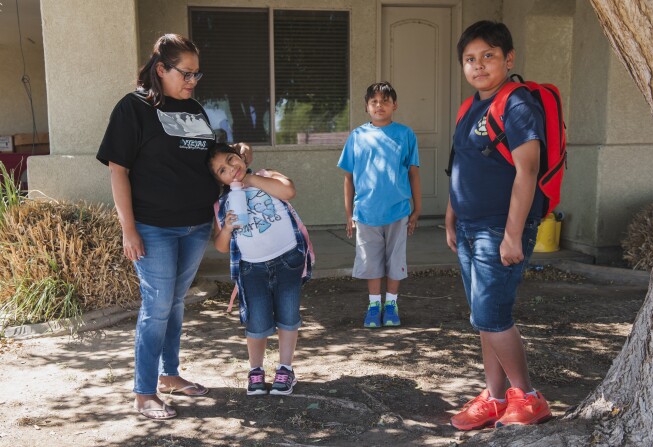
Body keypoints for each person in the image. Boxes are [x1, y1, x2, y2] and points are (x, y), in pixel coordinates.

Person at [97, 34, 251, 420]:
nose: (193, 81)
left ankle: (169, 374)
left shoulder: (196, 109)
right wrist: (128, 228)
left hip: (196, 224)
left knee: (175, 303)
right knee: (157, 305)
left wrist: (236, 155)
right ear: (161, 69)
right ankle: (144, 392)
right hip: (154, 227)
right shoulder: (133, 108)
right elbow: (119, 170)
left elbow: (206, 161)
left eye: (198, 74)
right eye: (186, 73)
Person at [444, 21, 552, 430]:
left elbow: (528, 171)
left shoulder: (518, 103)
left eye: (488, 55)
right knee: (482, 316)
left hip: (499, 229)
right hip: (470, 226)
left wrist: (511, 234)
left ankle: (527, 397)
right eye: (470, 59)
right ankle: (494, 398)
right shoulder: (469, 106)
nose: (478, 65)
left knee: (493, 314)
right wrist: (452, 217)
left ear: (508, 59)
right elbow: (460, 167)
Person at [209, 144, 313, 397]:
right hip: (251, 269)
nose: (231, 169)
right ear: (218, 179)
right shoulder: (222, 203)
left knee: (288, 316)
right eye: (223, 170)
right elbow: (221, 246)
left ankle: (285, 369)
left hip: (288, 260)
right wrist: (227, 229)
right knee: (257, 321)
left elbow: (288, 190)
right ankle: (255, 370)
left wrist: (250, 178)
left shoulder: (266, 176)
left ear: (241, 157)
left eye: (232, 160)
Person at [337, 82, 421, 328]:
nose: (379, 105)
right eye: (374, 101)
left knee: (395, 260)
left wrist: (417, 209)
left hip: (398, 211)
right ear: (366, 107)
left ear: (394, 105)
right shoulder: (357, 136)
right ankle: (374, 306)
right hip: (365, 212)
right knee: (370, 261)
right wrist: (349, 214)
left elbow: (413, 173)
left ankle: (391, 304)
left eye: (385, 101)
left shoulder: (405, 135)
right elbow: (348, 177)